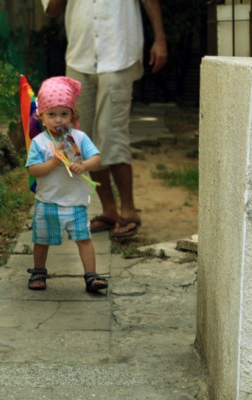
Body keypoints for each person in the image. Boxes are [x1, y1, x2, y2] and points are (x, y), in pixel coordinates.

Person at [42, 0, 168, 237]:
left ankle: (129, 210)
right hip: (80, 56)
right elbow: (52, 9)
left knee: (112, 133)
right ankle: (109, 210)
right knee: (83, 140)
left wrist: (160, 38)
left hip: (119, 53)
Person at [25, 76, 107, 293]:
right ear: (41, 117)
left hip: (75, 203)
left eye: (64, 114)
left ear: (73, 115)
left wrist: (84, 165)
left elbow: (97, 158)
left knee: (84, 239)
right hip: (48, 202)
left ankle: (91, 276)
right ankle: (39, 271)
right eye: (51, 115)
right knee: (42, 240)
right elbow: (33, 170)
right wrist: (53, 162)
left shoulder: (79, 138)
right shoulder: (39, 143)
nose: (58, 120)